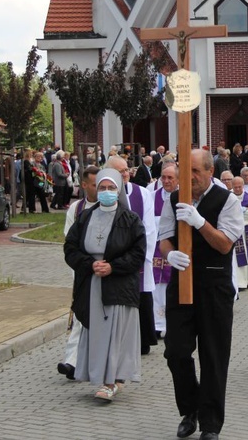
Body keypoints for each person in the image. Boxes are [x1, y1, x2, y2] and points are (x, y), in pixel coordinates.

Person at [158, 149, 243, 440]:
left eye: (195, 171)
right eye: (186, 170)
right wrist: (170, 256)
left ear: (210, 172)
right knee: (176, 351)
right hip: (181, 284)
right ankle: (190, 408)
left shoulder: (228, 201)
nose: (190, 177)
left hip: (214, 286)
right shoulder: (173, 198)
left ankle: (210, 424)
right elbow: (164, 239)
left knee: (214, 355)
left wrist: (199, 222)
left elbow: (224, 245)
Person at [64, 168, 146, 402]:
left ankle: (111, 382)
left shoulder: (130, 219)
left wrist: (113, 266)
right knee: (97, 333)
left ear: (119, 189)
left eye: (111, 188)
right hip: (92, 283)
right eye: (102, 188)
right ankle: (102, 377)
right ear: (95, 189)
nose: (107, 192)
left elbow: (138, 253)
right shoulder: (85, 217)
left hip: (118, 285)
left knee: (115, 333)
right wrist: (90, 264)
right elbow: (70, 248)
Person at [105, 155, 158, 355]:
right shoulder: (106, 194)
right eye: (119, 172)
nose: (125, 174)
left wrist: (142, 255)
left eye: (126, 170)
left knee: (141, 297)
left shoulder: (142, 193)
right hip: (115, 258)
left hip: (139, 257)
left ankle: (143, 341)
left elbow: (149, 228)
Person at [57, 165, 100, 381]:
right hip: (83, 271)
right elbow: (70, 242)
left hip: (106, 271)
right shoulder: (76, 210)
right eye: (94, 185)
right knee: (80, 316)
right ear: (84, 185)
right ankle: (71, 361)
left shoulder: (111, 206)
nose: (100, 188)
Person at [152, 164, 178, 338]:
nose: (166, 181)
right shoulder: (151, 196)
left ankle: (172, 324)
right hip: (154, 248)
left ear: (177, 179)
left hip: (174, 248)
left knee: (172, 286)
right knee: (156, 286)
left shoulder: (183, 196)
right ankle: (156, 323)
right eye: (163, 177)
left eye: (170, 178)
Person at [231, 176, 248, 292]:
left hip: (247, 231)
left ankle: (245, 281)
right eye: (235, 187)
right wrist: (241, 211)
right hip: (233, 232)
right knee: (236, 259)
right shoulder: (228, 197)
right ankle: (238, 282)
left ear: (243, 186)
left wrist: (238, 214)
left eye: (239, 186)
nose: (237, 189)